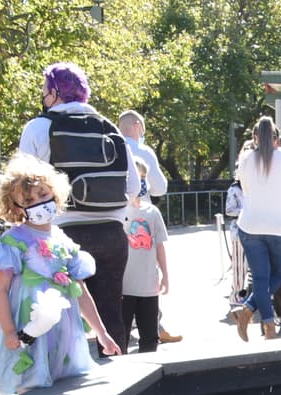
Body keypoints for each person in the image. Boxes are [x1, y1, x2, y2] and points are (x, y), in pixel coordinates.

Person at [0, 154, 120, 395]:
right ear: (16, 206)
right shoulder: (14, 241)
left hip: (63, 330)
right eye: (28, 199)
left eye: (43, 195)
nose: (38, 202)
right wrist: (8, 330)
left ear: (55, 193)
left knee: (60, 382)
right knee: (27, 379)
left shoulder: (62, 240)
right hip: (27, 324)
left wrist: (101, 333)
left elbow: (80, 291)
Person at [19, 63, 140, 355]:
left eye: (45, 91)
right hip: (112, 234)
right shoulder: (110, 128)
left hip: (62, 235)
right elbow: (134, 187)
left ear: (54, 92)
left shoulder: (39, 127)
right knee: (111, 312)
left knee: (56, 313)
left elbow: (22, 183)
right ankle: (119, 380)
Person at [229, 116, 281, 341]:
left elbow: (245, 190)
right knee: (280, 274)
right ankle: (249, 312)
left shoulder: (246, 158)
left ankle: (264, 323)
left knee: (260, 278)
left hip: (251, 225)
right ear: (276, 138)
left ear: (255, 138)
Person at [122, 157, 170, 353]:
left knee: (150, 338)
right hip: (124, 286)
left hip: (148, 285)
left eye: (143, 178)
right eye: (136, 177)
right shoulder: (117, 212)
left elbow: (159, 245)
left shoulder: (152, 212)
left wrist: (165, 275)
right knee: (121, 335)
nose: (140, 182)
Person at [117, 110, 167, 199]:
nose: (142, 136)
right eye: (142, 131)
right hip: (138, 209)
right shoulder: (144, 152)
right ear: (137, 126)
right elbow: (160, 189)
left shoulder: (110, 149)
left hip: (115, 210)